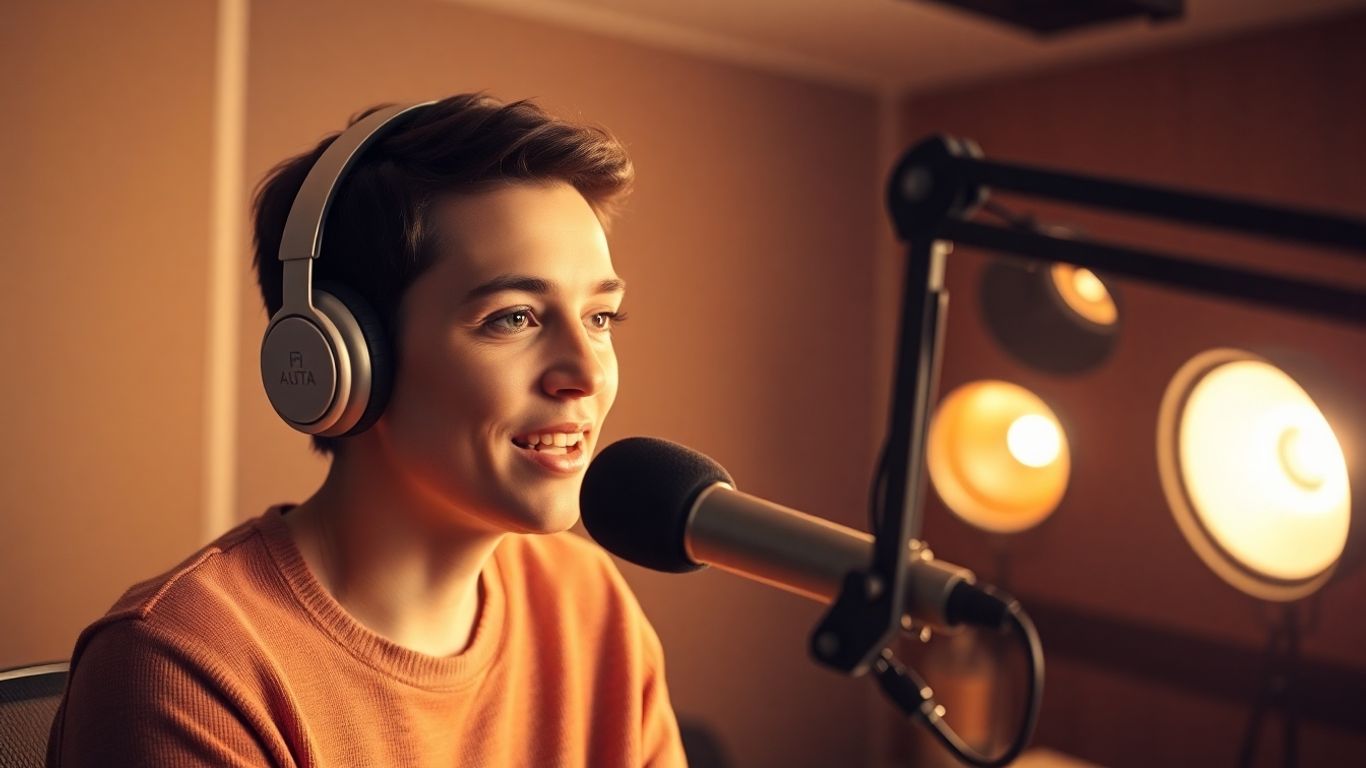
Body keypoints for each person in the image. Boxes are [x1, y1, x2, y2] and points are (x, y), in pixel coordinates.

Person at [46, 92, 688, 767]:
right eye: (515, 317)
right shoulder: (185, 665)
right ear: (344, 359)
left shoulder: (588, 605)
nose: (585, 374)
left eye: (600, 318)